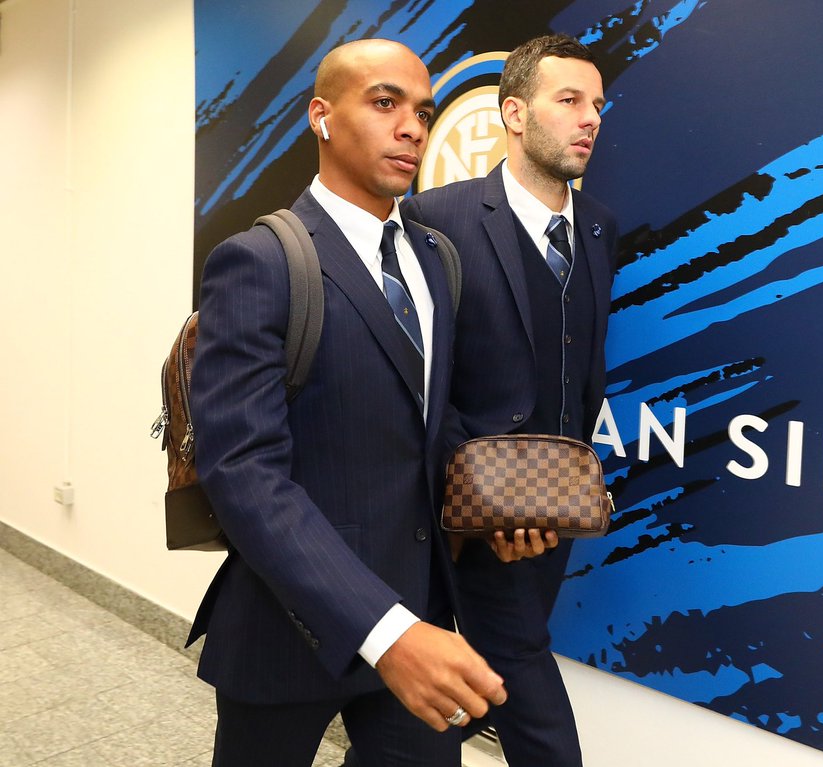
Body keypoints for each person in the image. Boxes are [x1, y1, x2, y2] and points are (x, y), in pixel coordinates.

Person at [186, 38, 512, 767]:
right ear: (321, 117)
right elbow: (242, 470)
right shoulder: (261, 260)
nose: (412, 129)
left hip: (421, 615)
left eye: (422, 112)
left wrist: (499, 503)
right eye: (385, 103)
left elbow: (427, 421)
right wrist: (384, 631)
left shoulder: (436, 259)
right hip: (289, 624)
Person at [399, 33, 619, 767]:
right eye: (569, 100)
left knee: (469, 688)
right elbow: (416, 375)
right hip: (457, 512)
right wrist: (488, 498)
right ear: (515, 114)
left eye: (597, 104)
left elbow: (579, 369)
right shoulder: (435, 218)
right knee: (522, 677)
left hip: (549, 517)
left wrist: (546, 496)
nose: (590, 118)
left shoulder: (599, 228)